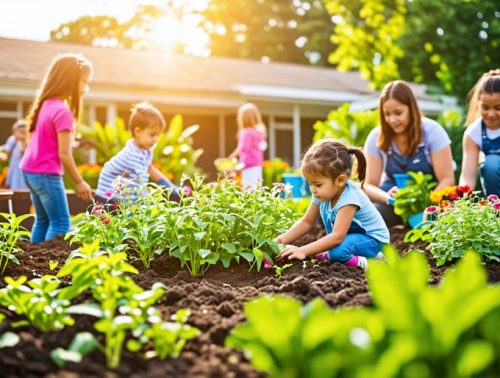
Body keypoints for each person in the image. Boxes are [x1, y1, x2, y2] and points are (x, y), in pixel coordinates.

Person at [276, 139, 389, 270]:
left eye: (317, 184)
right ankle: (329, 255)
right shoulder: (322, 192)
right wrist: (279, 241)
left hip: (373, 241)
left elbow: (337, 237)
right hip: (352, 239)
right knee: (321, 249)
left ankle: (376, 263)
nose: (312, 189)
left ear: (340, 180)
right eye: (310, 183)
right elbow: (307, 222)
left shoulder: (349, 198)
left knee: (338, 253)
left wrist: (303, 250)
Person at [20, 53, 94, 243]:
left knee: (43, 221)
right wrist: (79, 182)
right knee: (61, 223)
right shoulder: (63, 111)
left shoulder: (46, 104)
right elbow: (64, 154)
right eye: (84, 81)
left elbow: (49, 141)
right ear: (71, 81)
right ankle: (50, 267)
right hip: (46, 174)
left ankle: (35, 263)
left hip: (30, 171)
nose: (86, 87)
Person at [363, 80, 455, 227]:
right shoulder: (376, 136)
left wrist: (424, 203)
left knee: (436, 224)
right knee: (368, 219)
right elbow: (368, 185)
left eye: (398, 113)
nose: (392, 120)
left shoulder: (432, 131)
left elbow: (447, 178)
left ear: (411, 109)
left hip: (431, 200)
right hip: (395, 204)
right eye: (387, 114)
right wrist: (388, 197)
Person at [95, 102, 179, 202]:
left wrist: (171, 187)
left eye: (158, 135)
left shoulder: (144, 150)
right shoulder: (132, 154)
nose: (156, 139)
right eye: (152, 135)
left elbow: (150, 168)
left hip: (119, 192)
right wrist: (149, 202)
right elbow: (141, 182)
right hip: (106, 197)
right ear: (137, 131)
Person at [459, 69, 500, 195]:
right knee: (491, 163)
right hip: (495, 190)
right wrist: (463, 197)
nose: (491, 114)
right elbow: (468, 175)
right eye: (485, 107)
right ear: (478, 104)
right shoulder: (473, 133)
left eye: (498, 108)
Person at [228, 103, 267, 185]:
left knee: (247, 190)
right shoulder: (259, 132)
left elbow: (243, 148)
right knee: (256, 188)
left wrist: (235, 165)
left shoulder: (246, 132)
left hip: (248, 166)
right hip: (257, 165)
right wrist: (233, 155)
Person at [0, 120, 28, 189]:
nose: (22, 133)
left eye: (24, 131)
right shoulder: (12, 140)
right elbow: (6, 154)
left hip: (25, 173)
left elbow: (24, 153)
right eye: (20, 131)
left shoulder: (29, 141)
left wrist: (24, 141)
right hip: (14, 172)